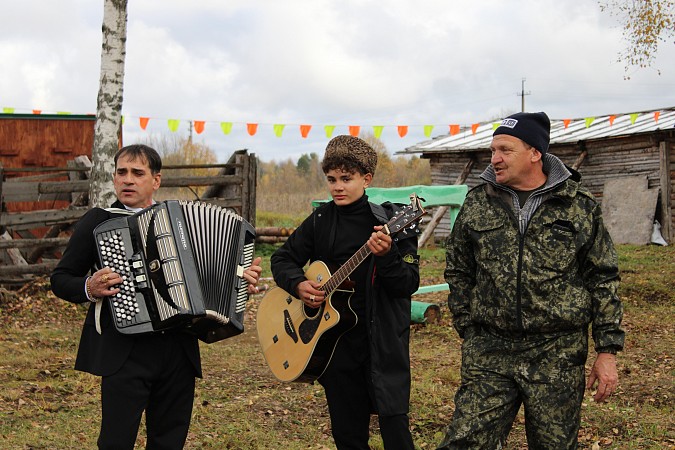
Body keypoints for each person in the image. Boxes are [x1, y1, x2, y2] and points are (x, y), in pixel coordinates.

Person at [50, 144, 262, 449]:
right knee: (115, 442)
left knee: (169, 441)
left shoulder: (180, 219)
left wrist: (241, 280)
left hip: (179, 351)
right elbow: (60, 279)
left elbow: (219, 276)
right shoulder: (99, 221)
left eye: (137, 173)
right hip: (125, 350)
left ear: (156, 180)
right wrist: (88, 287)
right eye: (121, 172)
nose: (127, 180)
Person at [437, 112, 625, 449]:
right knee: (464, 442)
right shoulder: (478, 202)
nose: (495, 158)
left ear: (535, 153)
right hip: (490, 350)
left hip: (556, 352)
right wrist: (468, 325)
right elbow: (458, 268)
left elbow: (602, 277)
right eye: (493, 150)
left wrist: (607, 350)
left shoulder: (578, 207)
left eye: (505, 150)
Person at [270, 135, 420, 449]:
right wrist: (299, 285)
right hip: (335, 346)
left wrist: (387, 255)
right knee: (348, 436)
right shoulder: (321, 220)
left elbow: (407, 284)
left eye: (346, 179)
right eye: (331, 179)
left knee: (396, 432)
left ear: (367, 179)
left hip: (381, 344)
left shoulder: (392, 222)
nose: (337, 186)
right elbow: (282, 258)